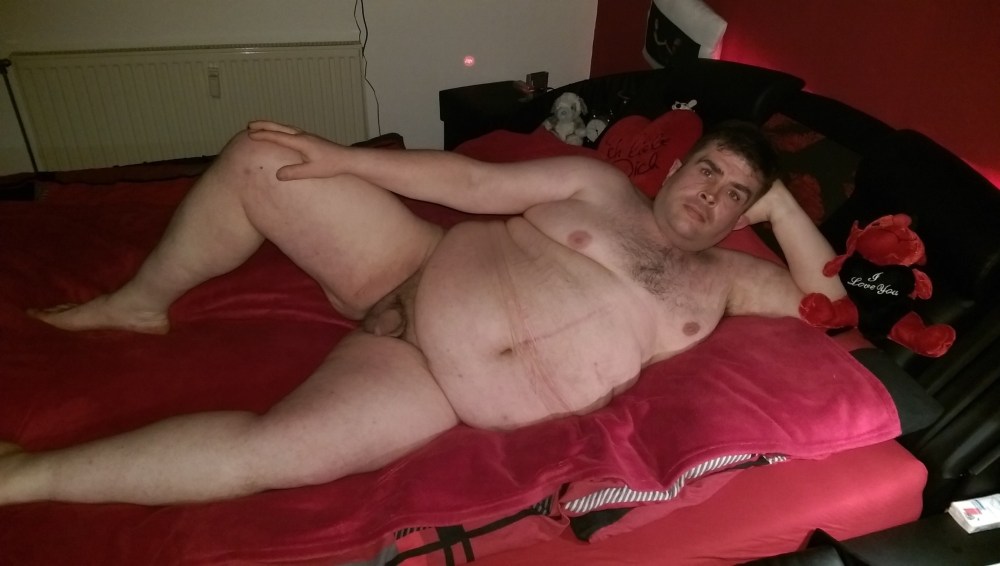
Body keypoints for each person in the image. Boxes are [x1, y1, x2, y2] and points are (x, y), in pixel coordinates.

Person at [0, 119, 845, 506]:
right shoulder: (600, 185)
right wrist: (344, 160)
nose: (713, 194)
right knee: (265, 155)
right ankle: (138, 303)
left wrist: (780, 206)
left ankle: (20, 478)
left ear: (746, 215)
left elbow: (833, 309)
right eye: (709, 170)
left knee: (278, 454)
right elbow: (471, 182)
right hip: (412, 261)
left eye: (737, 194)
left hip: (428, 383)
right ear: (678, 167)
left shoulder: (728, 280)